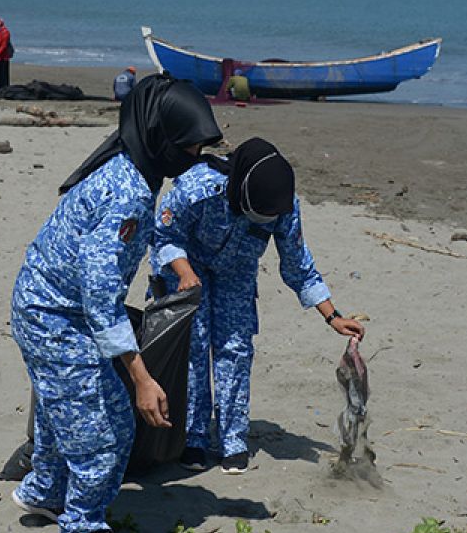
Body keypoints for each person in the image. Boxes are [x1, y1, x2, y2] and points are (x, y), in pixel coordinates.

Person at [10, 74, 222, 533]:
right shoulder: (127, 193)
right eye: (189, 148)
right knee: (109, 425)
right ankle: (82, 525)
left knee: (61, 410)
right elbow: (101, 295)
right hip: (55, 316)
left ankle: (43, 492)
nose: (193, 158)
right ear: (162, 138)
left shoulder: (131, 167)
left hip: (47, 303)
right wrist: (142, 377)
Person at [152, 137, 366, 474]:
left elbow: (297, 264)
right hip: (186, 265)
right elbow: (164, 236)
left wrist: (333, 317)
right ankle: (193, 436)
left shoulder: (283, 205)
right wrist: (183, 271)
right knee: (194, 344)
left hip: (236, 272)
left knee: (235, 349)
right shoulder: (198, 188)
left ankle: (232, 440)